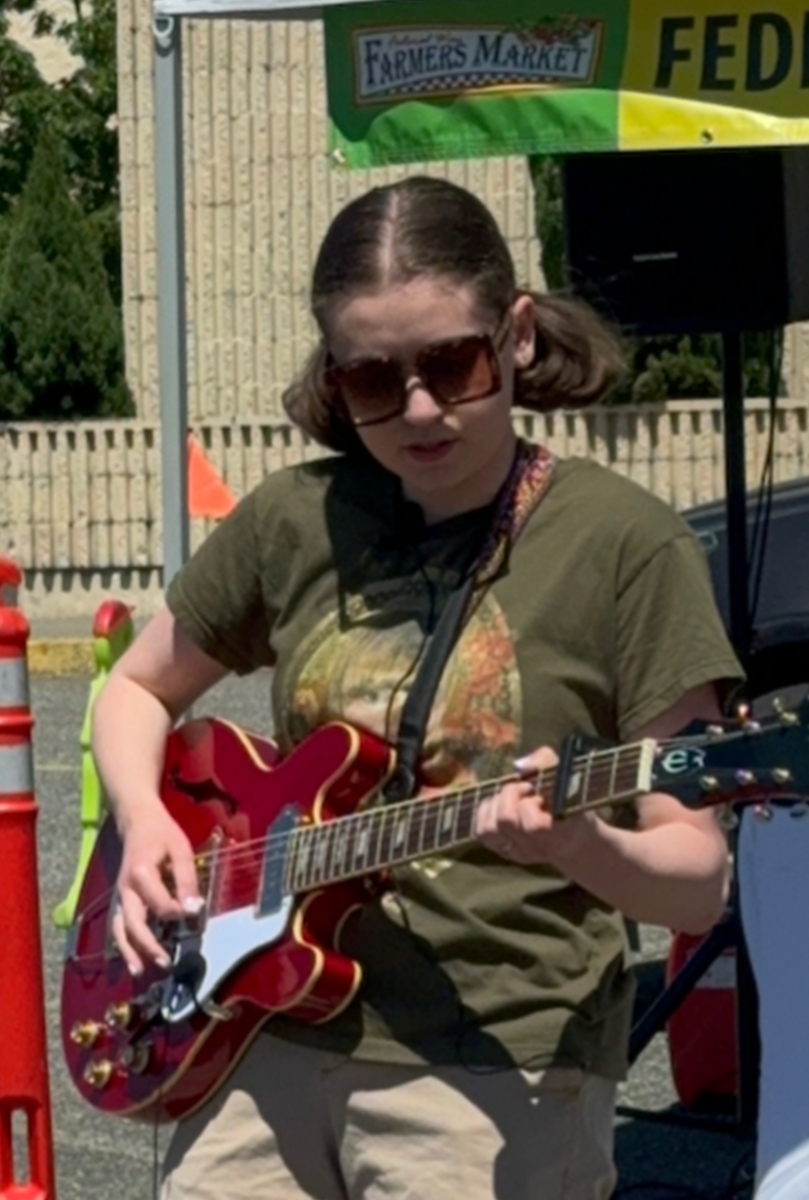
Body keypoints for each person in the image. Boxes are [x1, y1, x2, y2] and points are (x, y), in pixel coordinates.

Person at [90, 176, 741, 1200]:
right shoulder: (293, 521)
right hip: (262, 1034)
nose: (420, 410)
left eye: (452, 362)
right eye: (373, 380)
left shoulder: (625, 544)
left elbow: (698, 874)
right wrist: (143, 824)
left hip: (495, 1065)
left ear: (517, 335)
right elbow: (136, 687)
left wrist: (583, 842)